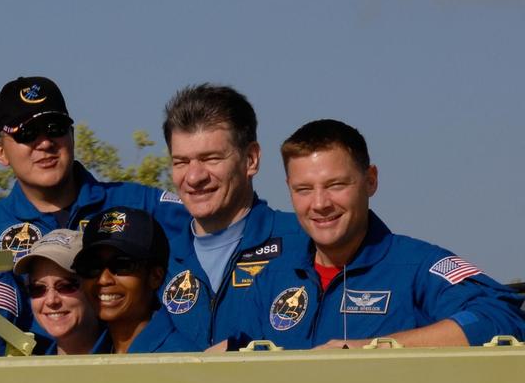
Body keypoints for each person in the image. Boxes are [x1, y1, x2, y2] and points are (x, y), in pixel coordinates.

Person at [238, 119, 525, 348]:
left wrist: (372, 349)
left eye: (336, 185)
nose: (320, 204)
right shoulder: (271, 280)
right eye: (303, 189)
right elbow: (242, 355)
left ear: (370, 181)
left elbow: (503, 317)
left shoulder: (416, 267)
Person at [0, 76, 188, 350]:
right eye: (27, 134)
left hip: (136, 378)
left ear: (71, 135)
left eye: (55, 129)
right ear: (0, 152)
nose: (45, 143)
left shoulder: (142, 206)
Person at [158, 83, 304, 349]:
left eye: (211, 159)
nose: (194, 177)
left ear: (251, 159)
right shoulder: (157, 263)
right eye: (181, 162)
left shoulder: (304, 243)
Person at [72, 207, 192, 353]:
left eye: (122, 265)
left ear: (155, 276)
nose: (103, 279)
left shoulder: (179, 360)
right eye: (92, 266)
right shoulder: (92, 354)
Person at [11, 229, 101, 355]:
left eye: (65, 286)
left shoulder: (132, 357)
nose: (51, 300)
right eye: (38, 289)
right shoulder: (24, 370)